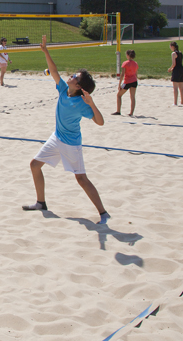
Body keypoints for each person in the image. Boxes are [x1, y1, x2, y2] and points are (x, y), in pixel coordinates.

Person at [23, 35, 109, 225]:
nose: (71, 76)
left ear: (78, 86)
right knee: (34, 165)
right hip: (56, 138)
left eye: (75, 77)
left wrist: (92, 103)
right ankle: (41, 203)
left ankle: (103, 213)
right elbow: (53, 71)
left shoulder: (82, 103)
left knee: (81, 179)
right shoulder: (63, 90)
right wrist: (45, 50)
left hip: (71, 144)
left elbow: (100, 122)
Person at [113, 50, 138, 116]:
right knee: (132, 97)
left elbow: (122, 74)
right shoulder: (135, 63)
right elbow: (136, 74)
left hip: (127, 81)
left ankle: (118, 111)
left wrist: (119, 84)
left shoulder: (125, 63)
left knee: (119, 95)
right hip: (134, 81)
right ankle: (131, 113)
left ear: (128, 55)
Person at [169, 42, 183, 106]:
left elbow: (174, 64)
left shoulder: (173, 53)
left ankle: (175, 102)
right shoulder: (180, 52)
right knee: (181, 88)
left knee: (175, 88)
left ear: (172, 46)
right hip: (181, 69)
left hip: (176, 70)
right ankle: (182, 101)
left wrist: (170, 68)